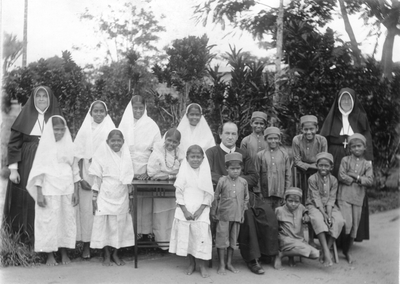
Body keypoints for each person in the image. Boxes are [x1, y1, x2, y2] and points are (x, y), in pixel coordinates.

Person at [206, 122, 278, 275]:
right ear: (220, 135)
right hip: (220, 196)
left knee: (267, 213)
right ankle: (252, 260)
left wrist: (238, 181)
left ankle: (267, 253)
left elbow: (253, 177)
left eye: (233, 134)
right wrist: (227, 180)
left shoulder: (243, 153)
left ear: (238, 136)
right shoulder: (212, 153)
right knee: (247, 215)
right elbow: (207, 175)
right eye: (227, 133)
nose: (230, 137)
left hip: (244, 193)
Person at [4, 86, 62, 245]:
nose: (42, 99)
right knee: (27, 198)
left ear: (50, 100)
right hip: (27, 163)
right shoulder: (25, 117)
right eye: (39, 96)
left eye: (45, 96)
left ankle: (47, 241)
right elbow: (14, 144)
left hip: (49, 163)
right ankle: (25, 239)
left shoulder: (56, 118)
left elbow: (62, 142)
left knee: (47, 198)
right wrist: (13, 169)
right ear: (33, 99)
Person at [320, 87, 373, 242]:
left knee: (353, 192)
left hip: (355, 158)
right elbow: (324, 140)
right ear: (338, 101)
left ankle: (352, 236)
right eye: (343, 99)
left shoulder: (361, 117)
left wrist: (368, 160)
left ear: (354, 101)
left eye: (348, 99)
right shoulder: (332, 118)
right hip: (335, 158)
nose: (345, 102)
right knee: (334, 193)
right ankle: (334, 234)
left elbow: (367, 140)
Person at [26, 115, 79, 265]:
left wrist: (75, 191)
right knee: (48, 221)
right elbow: (39, 172)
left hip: (66, 187)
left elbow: (74, 169)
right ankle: (49, 255)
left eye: (62, 130)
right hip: (49, 188)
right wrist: (39, 193)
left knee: (66, 220)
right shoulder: (44, 147)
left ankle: (64, 252)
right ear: (50, 130)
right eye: (56, 130)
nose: (60, 133)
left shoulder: (70, 145)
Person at [74, 100, 115, 259]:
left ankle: (104, 246)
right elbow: (76, 157)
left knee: (102, 210)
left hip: (105, 174)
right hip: (87, 174)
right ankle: (86, 245)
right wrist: (79, 178)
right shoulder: (84, 131)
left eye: (101, 111)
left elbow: (116, 152)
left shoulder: (111, 129)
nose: (98, 114)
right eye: (95, 111)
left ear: (106, 113)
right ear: (90, 113)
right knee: (86, 210)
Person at [89, 129, 135, 266]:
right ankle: (106, 254)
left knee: (119, 225)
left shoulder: (126, 156)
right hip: (105, 194)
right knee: (105, 226)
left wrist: (131, 198)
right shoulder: (101, 155)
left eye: (119, 140)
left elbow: (129, 181)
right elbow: (97, 179)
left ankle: (115, 253)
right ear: (107, 142)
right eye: (113, 141)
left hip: (121, 195)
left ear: (123, 142)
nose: (116, 143)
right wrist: (94, 197)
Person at [119, 95, 161, 238]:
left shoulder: (151, 125)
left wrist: (149, 172)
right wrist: (127, 170)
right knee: (128, 202)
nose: (138, 110)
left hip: (145, 169)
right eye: (135, 108)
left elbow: (157, 150)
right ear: (130, 108)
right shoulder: (125, 124)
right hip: (127, 167)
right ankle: (129, 236)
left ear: (145, 108)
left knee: (145, 202)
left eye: (140, 108)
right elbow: (118, 147)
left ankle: (145, 234)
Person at [169, 145, 214, 278]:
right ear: (187, 158)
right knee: (187, 237)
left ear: (202, 158)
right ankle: (191, 263)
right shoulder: (183, 172)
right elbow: (179, 193)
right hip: (185, 209)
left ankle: (202, 265)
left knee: (201, 236)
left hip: (201, 209)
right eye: (192, 157)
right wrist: (185, 210)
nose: (195, 159)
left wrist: (201, 209)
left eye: (198, 157)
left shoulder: (205, 172)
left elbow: (208, 194)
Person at [211, 152, 249, 275]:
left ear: (241, 169)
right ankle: (221, 264)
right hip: (223, 216)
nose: (235, 171)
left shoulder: (243, 182)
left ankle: (229, 263)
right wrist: (215, 212)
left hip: (237, 216)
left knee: (233, 241)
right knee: (222, 240)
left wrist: (242, 214)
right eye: (232, 169)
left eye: (238, 169)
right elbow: (216, 197)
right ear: (226, 169)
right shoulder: (222, 181)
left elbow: (246, 199)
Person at [338, 134, 373, 264]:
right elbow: (341, 176)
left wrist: (355, 176)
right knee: (347, 223)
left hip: (358, 198)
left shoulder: (367, 164)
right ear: (350, 148)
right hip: (344, 196)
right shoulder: (345, 160)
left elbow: (369, 181)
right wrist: (358, 179)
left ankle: (347, 251)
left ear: (364, 147)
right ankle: (337, 246)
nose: (356, 149)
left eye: (359, 146)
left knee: (354, 227)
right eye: (353, 146)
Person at [147, 128, 185, 248]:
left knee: (173, 216)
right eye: (169, 140)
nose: (171, 144)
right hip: (160, 190)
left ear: (178, 143)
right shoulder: (158, 151)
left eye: (175, 142)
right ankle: (162, 244)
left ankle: (173, 245)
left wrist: (166, 175)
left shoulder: (180, 153)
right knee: (161, 216)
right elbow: (152, 173)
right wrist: (172, 175)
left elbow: (184, 171)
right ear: (164, 139)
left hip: (175, 190)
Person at [306, 152, 345, 267]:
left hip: (330, 206)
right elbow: (316, 198)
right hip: (314, 205)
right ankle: (327, 252)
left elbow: (331, 199)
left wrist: (329, 214)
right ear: (316, 165)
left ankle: (325, 250)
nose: (323, 168)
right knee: (318, 220)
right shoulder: (312, 179)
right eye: (321, 165)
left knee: (338, 221)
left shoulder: (333, 180)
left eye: (326, 166)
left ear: (331, 167)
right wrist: (324, 215)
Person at [274, 187, 319, 269]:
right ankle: (281, 254)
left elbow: (305, 210)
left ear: (300, 201)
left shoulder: (301, 208)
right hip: (285, 240)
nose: (293, 204)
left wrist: (306, 215)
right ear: (285, 200)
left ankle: (288, 255)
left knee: (315, 254)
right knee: (306, 250)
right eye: (290, 201)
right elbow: (273, 227)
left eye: (296, 201)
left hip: (299, 239)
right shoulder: (279, 210)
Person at [255, 126, 291, 211]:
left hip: (280, 193)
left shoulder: (284, 155)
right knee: (266, 214)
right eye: (270, 138)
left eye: (275, 138)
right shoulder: (260, 155)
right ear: (265, 139)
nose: (273, 141)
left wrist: (286, 193)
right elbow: (257, 174)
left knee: (279, 215)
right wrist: (258, 192)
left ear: (279, 139)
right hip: (265, 193)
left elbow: (288, 175)